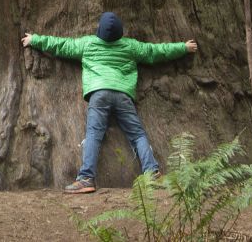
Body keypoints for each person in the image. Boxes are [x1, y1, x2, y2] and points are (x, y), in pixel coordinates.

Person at [22, 11, 198, 194]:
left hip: (99, 94)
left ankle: (86, 178)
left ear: (99, 30)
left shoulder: (88, 44)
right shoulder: (131, 46)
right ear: (121, 32)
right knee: (137, 134)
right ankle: (152, 173)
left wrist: (35, 39)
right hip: (123, 95)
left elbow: (62, 45)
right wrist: (183, 47)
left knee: (94, 135)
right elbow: (156, 51)